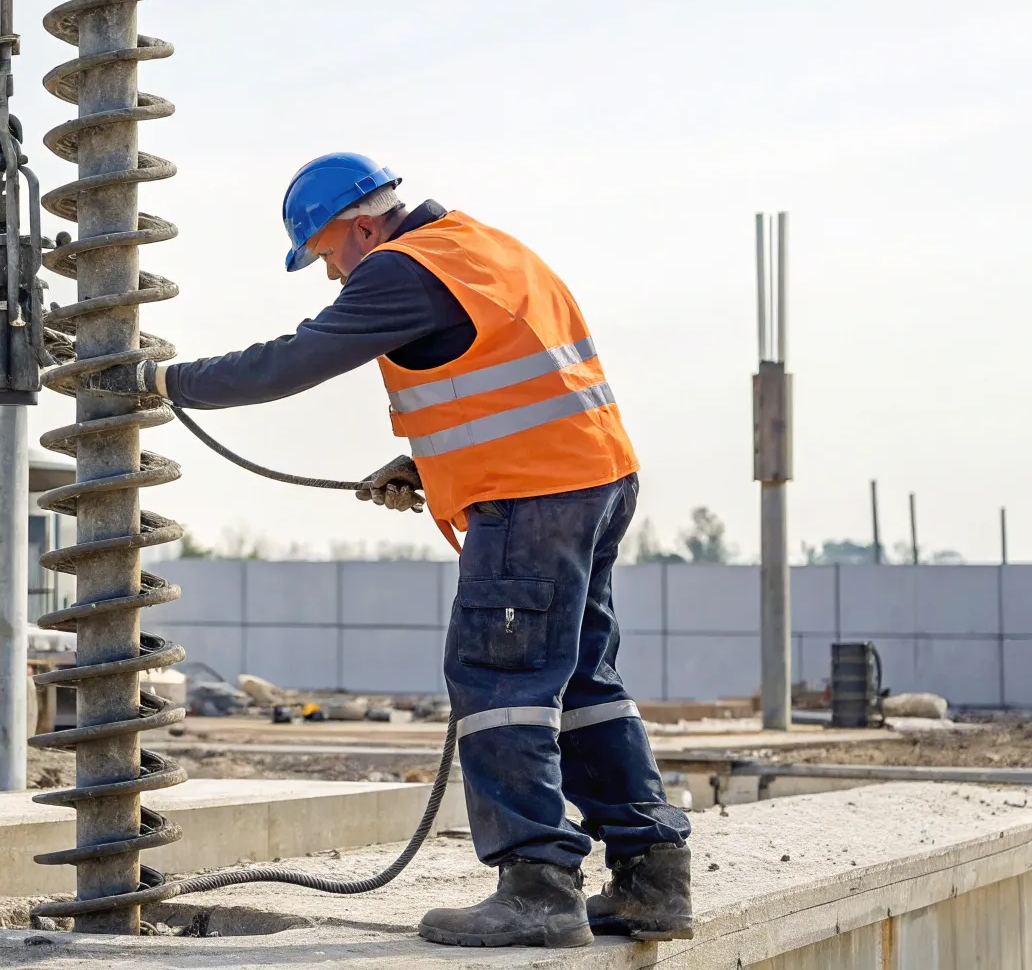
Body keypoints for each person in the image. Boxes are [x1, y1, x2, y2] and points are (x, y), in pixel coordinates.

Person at [89, 154, 693, 948]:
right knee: (582, 681)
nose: (329, 273)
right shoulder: (483, 246)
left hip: (532, 498)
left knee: (500, 681)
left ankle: (538, 889)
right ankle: (653, 879)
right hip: (595, 483)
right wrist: (428, 463)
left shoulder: (401, 270)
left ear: (364, 228)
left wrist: (163, 381)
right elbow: (518, 381)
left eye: (325, 252)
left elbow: (289, 362)